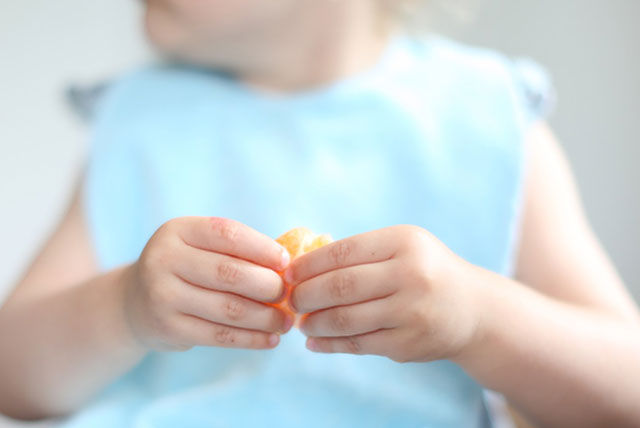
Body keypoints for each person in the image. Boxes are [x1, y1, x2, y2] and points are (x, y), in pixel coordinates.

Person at [1, 1, 639, 427]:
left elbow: (624, 388)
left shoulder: (486, 118)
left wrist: (479, 320)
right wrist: (125, 309)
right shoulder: (141, 121)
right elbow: (16, 377)